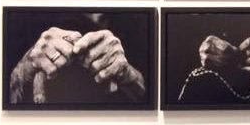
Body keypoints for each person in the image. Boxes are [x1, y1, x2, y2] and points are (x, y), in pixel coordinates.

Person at [8, 13, 147, 105]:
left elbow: (149, 95)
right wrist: (28, 64)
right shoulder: (24, 16)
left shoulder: (137, 19)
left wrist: (126, 73)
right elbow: (0, 99)